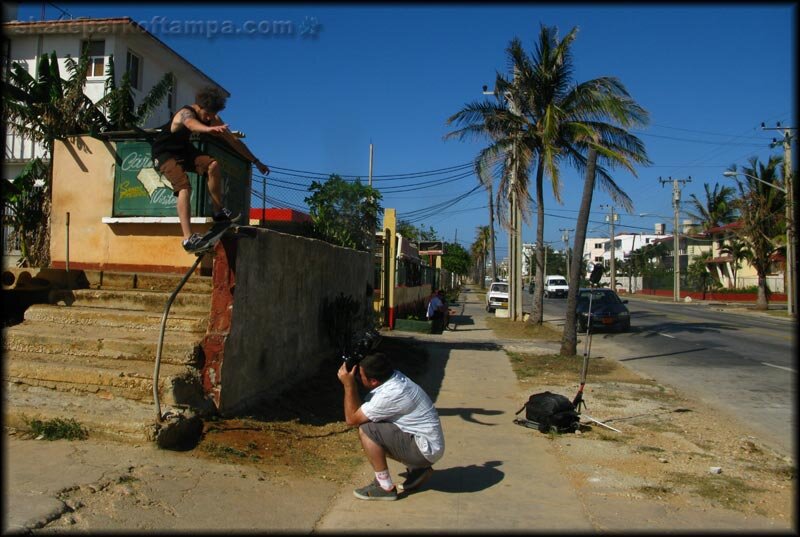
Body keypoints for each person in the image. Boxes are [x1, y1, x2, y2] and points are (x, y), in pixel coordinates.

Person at [151, 86, 270, 253]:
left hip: (183, 150)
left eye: (212, 116)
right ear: (199, 107)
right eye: (207, 115)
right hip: (163, 153)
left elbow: (234, 142)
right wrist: (208, 129)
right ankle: (188, 240)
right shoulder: (185, 114)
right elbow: (191, 125)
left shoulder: (213, 118)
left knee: (212, 165)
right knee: (184, 186)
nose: (210, 118)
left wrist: (256, 161)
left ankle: (217, 211)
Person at [337, 352, 444, 501]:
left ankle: (384, 486)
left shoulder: (391, 394)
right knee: (376, 423)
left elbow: (352, 419)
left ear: (373, 381)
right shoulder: (394, 377)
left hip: (425, 448)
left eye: (360, 376)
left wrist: (349, 385)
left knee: (368, 429)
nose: (358, 378)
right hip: (429, 444)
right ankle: (418, 470)